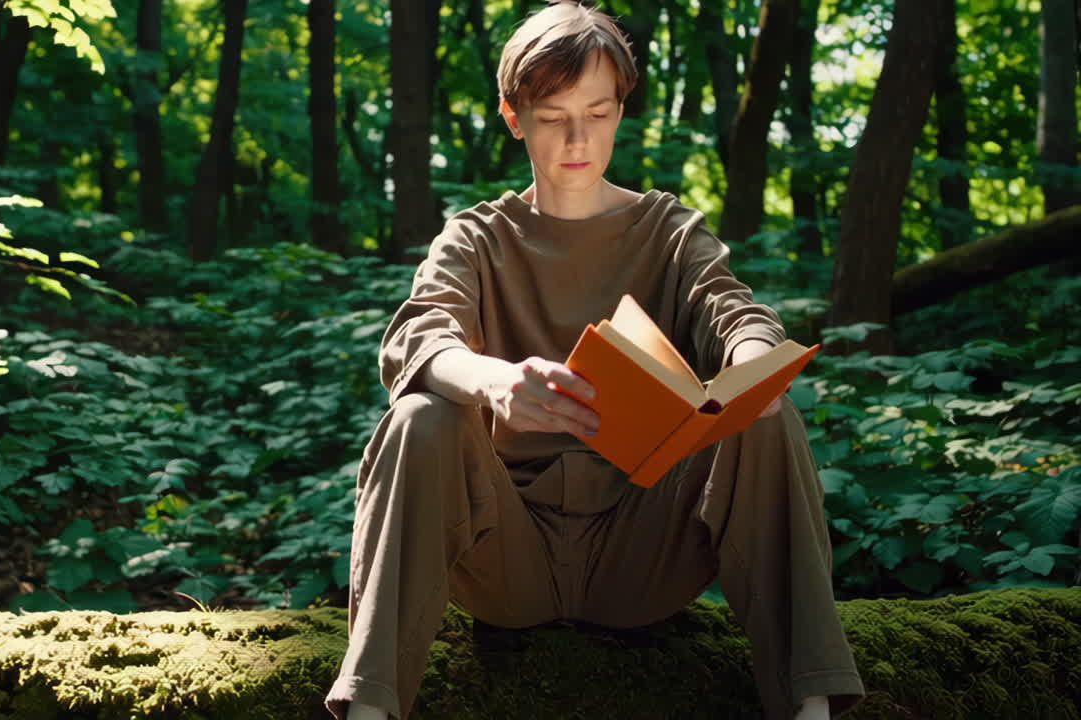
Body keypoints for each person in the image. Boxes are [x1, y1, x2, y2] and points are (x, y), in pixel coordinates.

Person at [325, 2, 865, 718]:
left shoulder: (669, 232)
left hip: (641, 551)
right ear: (514, 117)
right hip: (505, 555)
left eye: (599, 112)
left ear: (621, 110)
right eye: (551, 116)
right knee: (421, 418)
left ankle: (811, 705)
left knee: (768, 417)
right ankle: (370, 706)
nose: (578, 139)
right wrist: (494, 383)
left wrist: (753, 368)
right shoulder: (475, 239)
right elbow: (421, 338)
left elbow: (738, 315)